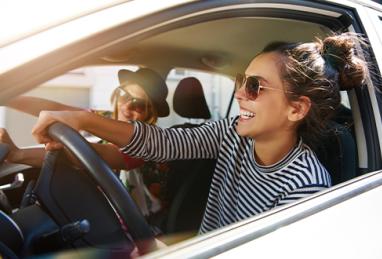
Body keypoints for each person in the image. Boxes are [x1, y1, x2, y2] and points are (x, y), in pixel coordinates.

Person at [30, 32, 368, 234]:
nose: (239, 94)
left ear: (296, 109)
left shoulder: (306, 185)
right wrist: (81, 119)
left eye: (255, 86)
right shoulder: (232, 134)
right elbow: (161, 143)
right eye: (240, 81)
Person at [2, 68, 171, 218]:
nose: (126, 107)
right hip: (105, 211)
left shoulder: (150, 143)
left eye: (139, 105)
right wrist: (8, 98)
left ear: (151, 113)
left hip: (138, 228)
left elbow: (94, 155)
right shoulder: (107, 118)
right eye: (123, 95)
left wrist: (18, 154)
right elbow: (56, 109)